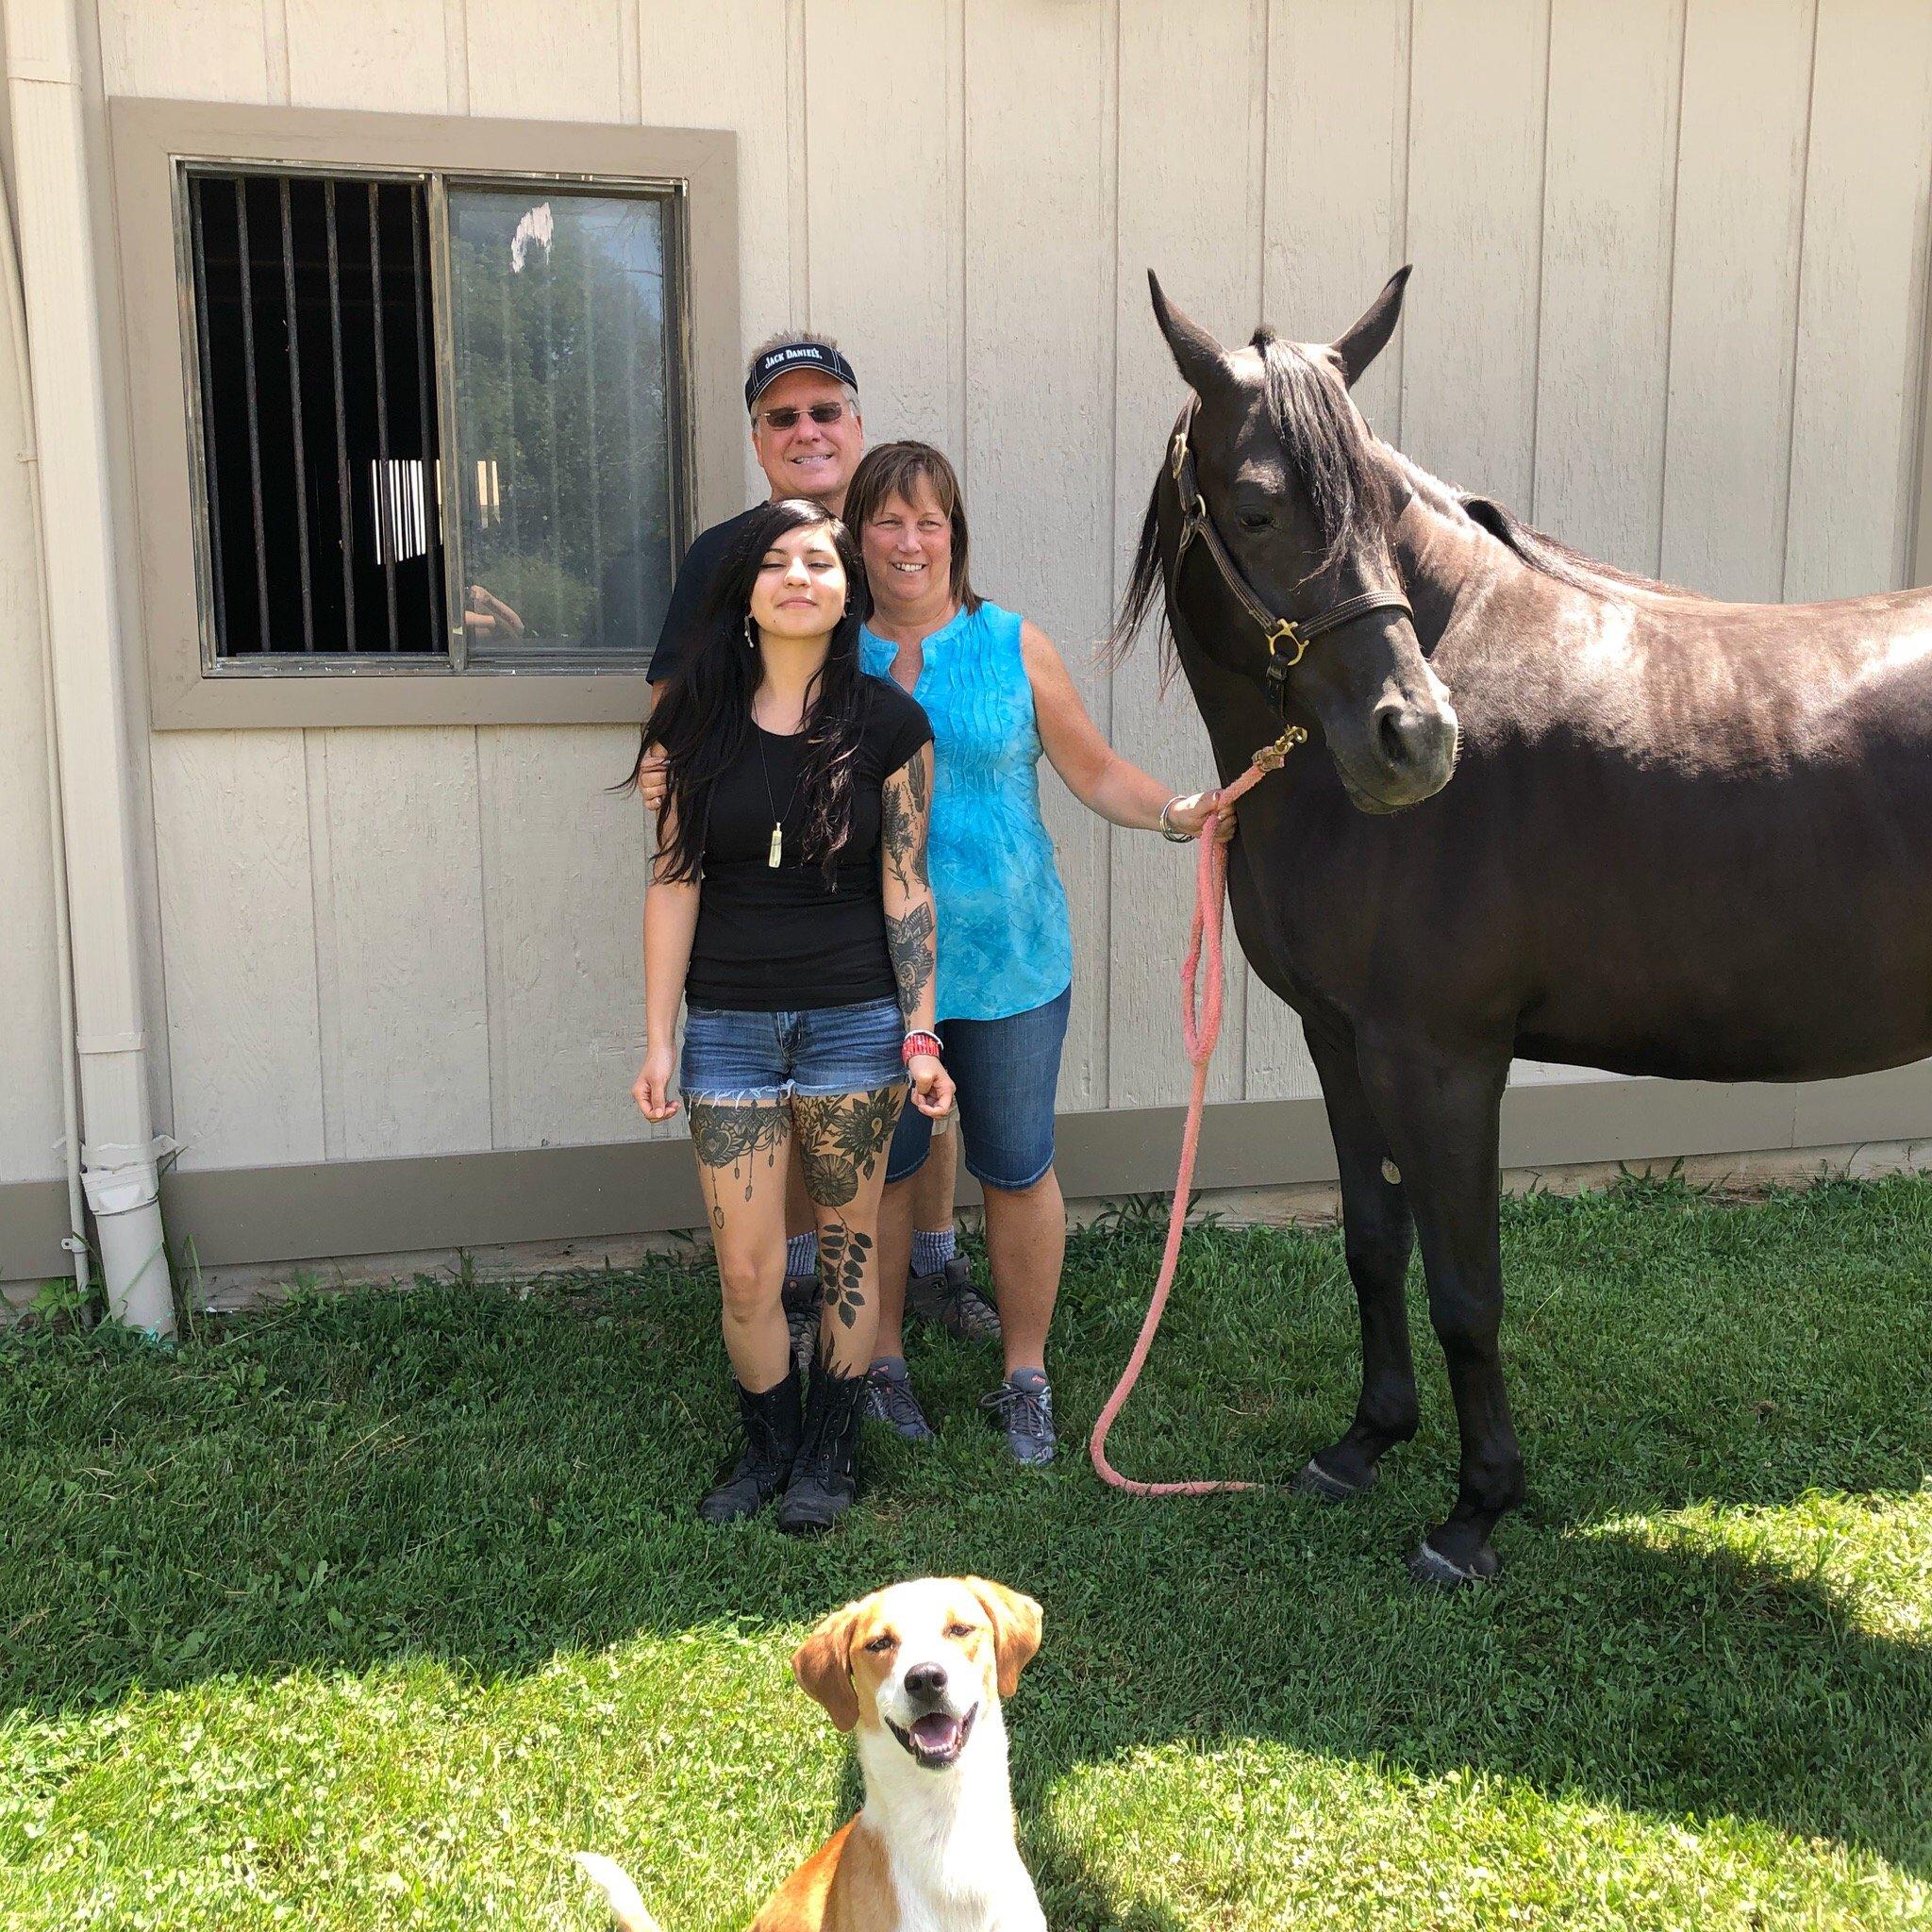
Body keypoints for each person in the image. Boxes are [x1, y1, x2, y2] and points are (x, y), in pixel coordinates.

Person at [840, 441, 1233, 1464]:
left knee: (1016, 1165)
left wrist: (1179, 811)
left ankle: (1025, 1377)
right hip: (872, 963)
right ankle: (881, 1365)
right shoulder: (831, 655)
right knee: (887, 1171)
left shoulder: (1014, 644)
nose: (910, 541)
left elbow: (1093, 770)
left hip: (1013, 958)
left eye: (929, 520)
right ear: (857, 535)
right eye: (887, 520)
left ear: (954, 534)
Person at [641, 333, 976, 1368]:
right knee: (807, 1111)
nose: (807, 431)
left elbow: (955, 636)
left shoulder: (892, 528)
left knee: (924, 1065)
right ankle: (797, 1282)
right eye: (782, 417)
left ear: (856, 425)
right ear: (757, 439)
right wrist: (667, 766)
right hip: (763, 872)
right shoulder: (725, 555)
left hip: (909, 842)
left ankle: (932, 1259)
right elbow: (674, 707)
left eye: (825, 410)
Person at [628, 498, 954, 1534]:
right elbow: (672, 882)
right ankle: (767, 1443)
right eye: (775, 563)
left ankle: (828, 1451)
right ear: (745, 595)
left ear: (847, 590)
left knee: (850, 1250)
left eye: (818, 560)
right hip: (727, 1025)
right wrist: (659, 1038)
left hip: (854, 1018)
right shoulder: (691, 725)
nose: (798, 577)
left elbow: (907, 885)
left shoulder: (891, 725)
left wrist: (920, 1031)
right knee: (747, 1269)